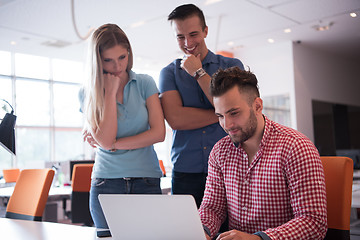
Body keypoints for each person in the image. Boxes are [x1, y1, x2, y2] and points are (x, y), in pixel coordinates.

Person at [198, 66, 327, 240]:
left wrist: (258, 238)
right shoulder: (220, 152)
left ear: (257, 106)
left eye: (234, 113)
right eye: (220, 116)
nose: (226, 125)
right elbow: (212, 208)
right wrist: (201, 232)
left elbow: (313, 222)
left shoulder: (295, 147)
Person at [81, 23, 165, 237]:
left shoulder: (145, 83)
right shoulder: (87, 93)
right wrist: (109, 94)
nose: (117, 67)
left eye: (122, 58)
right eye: (108, 60)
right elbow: (105, 141)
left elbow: (158, 133)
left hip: (146, 179)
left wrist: (115, 145)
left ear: (129, 53)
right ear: (97, 60)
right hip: (106, 182)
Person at [159, 3, 244, 208]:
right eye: (180, 37)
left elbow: (236, 111)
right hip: (185, 170)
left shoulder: (232, 67)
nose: (187, 42)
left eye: (193, 34)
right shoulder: (168, 73)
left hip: (230, 167)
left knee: (229, 235)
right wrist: (222, 114)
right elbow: (176, 120)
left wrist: (199, 73)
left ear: (206, 31)